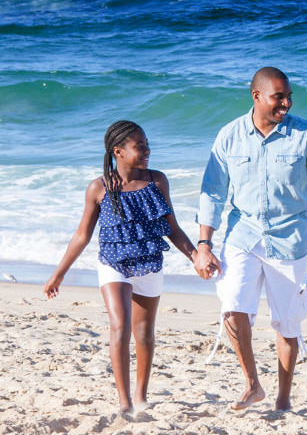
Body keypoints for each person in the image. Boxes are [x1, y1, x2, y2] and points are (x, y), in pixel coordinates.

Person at [194, 66, 307, 412]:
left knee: (287, 323)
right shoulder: (229, 137)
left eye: (289, 96)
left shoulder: (306, 136)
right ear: (257, 96)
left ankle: (282, 398)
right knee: (232, 306)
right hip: (242, 235)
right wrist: (203, 245)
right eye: (279, 96)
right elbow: (212, 192)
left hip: (290, 239)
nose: (287, 103)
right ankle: (252, 385)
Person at [44, 120, 202, 414]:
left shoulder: (157, 181)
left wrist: (196, 256)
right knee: (120, 326)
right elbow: (82, 235)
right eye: (139, 146)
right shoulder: (99, 188)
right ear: (118, 151)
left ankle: (141, 395)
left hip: (149, 263)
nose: (147, 151)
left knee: (144, 333)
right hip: (113, 264)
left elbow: (173, 229)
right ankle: (124, 402)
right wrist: (58, 274)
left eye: (147, 145)